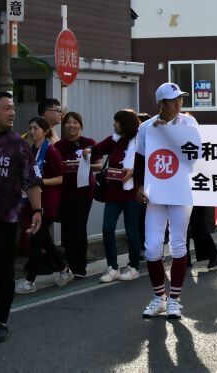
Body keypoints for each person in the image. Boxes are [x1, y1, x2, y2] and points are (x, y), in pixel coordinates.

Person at [133, 82, 198, 320]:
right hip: (156, 192)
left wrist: (168, 134)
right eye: (173, 100)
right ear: (161, 103)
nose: (179, 103)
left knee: (178, 244)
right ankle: (158, 297)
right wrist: (138, 186)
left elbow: (195, 155)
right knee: (152, 247)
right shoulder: (147, 127)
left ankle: (174, 300)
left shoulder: (189, 123)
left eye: (180, 98)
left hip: (181, 190)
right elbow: (140, 159)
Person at [0, 91, 43, 342]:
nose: (12, 112)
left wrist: (37, 210)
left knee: (4, 270)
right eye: (6, 108)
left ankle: (0, 320)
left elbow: (32, 181)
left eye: (13, 108)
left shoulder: (19, 145)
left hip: (6, 219)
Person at [14, 116, 71, 295]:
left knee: (36, 240)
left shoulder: (51, 151)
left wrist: (42, 181)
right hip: (33, 201)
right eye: (30, 128)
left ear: (45, 131)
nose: (32, 131)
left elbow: (61, 178)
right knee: (44, 239)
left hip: (48, 201)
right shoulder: (30, 150)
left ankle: (30, 280)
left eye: (36, 128)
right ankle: (64, 269)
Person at [86, 110, 142, 283]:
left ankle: (133, 267)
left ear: (124, 124)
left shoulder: (140, 141)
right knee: (107, 229)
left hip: (132, 193)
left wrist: (133, 172)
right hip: (113, 193)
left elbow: (147, 164)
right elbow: (98, 149)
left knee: (131, 231)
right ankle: (113, 267)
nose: (113, 124)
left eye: (116, 121)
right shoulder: (114, 139)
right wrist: (88, 150)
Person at [54, 112, 100, 279]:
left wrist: (83, 164)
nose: (71, 125)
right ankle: (67, 266)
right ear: (64, 126)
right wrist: (65, 166)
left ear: (81, 125)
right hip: (64, 191)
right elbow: (54, 167)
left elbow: (98, 166)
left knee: (79, 228)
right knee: (67, 228)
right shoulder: (58, 145)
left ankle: (80, 267)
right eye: (68, 123)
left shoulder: (89, 143)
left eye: (75, 122)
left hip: (84, 192)